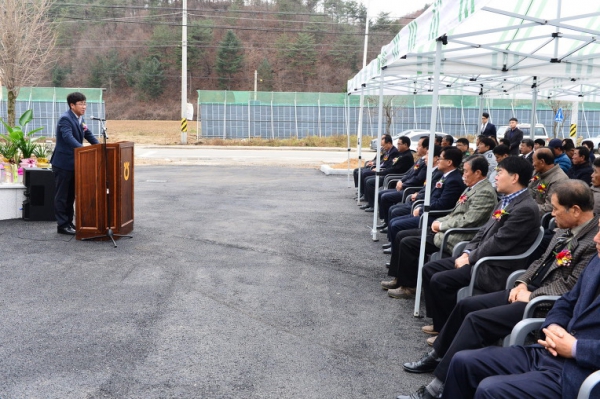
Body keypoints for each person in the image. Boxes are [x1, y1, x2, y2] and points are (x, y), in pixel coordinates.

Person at [398, 180, 598, 399]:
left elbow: (567, 286)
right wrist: (522, 282)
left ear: (576, 211)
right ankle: (438, 354)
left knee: (477, 320)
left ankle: (437, 387)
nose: (552, 215)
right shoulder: (565, 231)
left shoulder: (591, 244)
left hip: (542, 303)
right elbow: (540, 260)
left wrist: (532, 296)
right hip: (527, 292)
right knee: (466, 305)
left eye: (556, 209)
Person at [441, 222, 600, 399]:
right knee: (463, 361)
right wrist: (554, 325)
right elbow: (567, 301)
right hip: (548, 352)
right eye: (598, 229)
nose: (596, 238)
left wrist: (575, 348)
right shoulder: (597, 262)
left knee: (490, 390)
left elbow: (563, 289)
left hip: (581, 374)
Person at [421, 157, 540, 339]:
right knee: (430, 269)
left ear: (514, 177)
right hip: (480, 258)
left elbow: (500, 242)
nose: (496, 177)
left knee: (441, 280)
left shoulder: (525, 208)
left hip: (495, 267)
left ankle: (448, 333)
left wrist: (470, 257)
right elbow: (483, 231)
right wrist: (468, 251)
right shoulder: (506, 200)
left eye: (500, 173)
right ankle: (441, 324)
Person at [381, 156, 498, 298]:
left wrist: (441, 225)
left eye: (466, 171)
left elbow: (468, 220)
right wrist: (438, 222)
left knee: (408, 242)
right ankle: (399, 278)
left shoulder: (484, 192)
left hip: (458, 235)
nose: (463, 174)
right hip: (447, 229)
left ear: (478, 173)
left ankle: (408, 287)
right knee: (402, 235)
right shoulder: (472, 188)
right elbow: (454, 213)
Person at [384, 147, 465, 251]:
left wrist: (422, 208)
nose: (438, 161)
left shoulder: (453, 180)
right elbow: (432, 195)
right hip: (427, 210)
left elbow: (442, 204)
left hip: (435, 216)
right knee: (394, 220)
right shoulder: (446, 176)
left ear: (449, 162)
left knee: (396, 224)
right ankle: (395, 249)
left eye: (440, 158)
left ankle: (396, 252)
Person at [50, 92, 99, 235]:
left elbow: (88, 134)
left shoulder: (79, 118)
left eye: (85, 103)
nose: (84, 106)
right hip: (63, 163)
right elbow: (67, 137)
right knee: (62, 195)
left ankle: (69, 223)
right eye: (81, 103)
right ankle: (62, 225)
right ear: (72, 105)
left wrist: (100, 147)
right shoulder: (65, 119)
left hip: (75, 164)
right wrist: (82, 149)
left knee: (71, 195)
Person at [377, 137, 429, 229]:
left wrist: (404, 184)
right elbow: (408, 173)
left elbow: (418, 179)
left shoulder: (426, 163)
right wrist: (401, 180)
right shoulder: (420, 160)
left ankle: (389, 224)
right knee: (381, 193)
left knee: (385, 197)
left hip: (411, 189)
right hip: (405, 185)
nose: (417, 148)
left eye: (419, 145)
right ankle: (386, 221)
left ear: (426, 148)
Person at [361, 136, 415, 212]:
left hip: (394, 177)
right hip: (390, 175)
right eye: (397, 144)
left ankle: (373, 205)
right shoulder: (400, 154)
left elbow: (395, 169)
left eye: (399, 144)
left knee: (370, 182)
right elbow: (390, 165)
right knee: (368, 179)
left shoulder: (407, 156)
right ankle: (370, 202)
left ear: (405, 145)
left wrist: (380, 173)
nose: (397, 146)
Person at [528, 148, 569, 216]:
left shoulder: (559, 180)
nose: (533, 164)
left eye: (533, 161)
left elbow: (549, 208)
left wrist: (525, 207)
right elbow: (530, 190)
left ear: (542, 162)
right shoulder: (538, 173)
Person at [357, 134, 398, 200]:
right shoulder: (387, 151)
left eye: (384, 145)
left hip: (383, 171)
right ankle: (363, 193)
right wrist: (374, 163)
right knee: (362, 172)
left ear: (389, 143)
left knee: (366, 176)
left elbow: (388, 165)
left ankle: (368, 198)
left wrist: (378, 168)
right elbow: (382, 161)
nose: (383, 147)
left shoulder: (394, 152)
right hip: (380, 168)